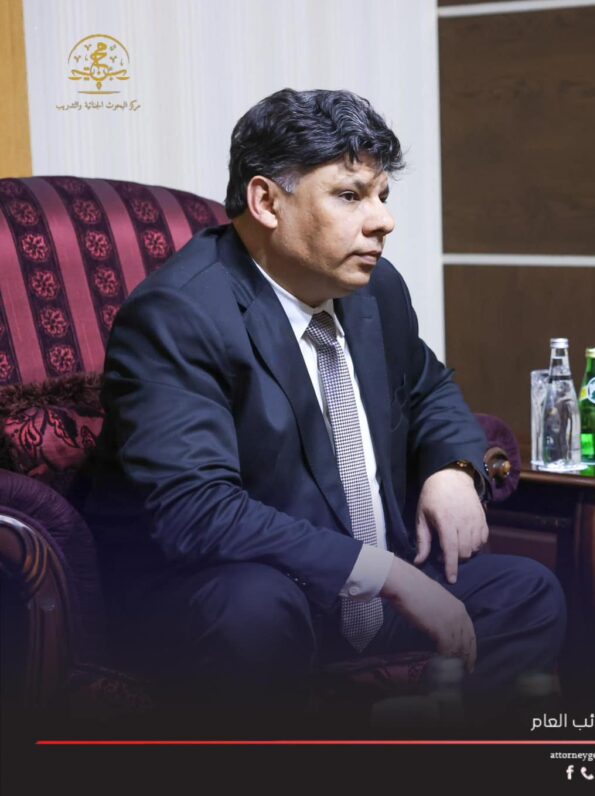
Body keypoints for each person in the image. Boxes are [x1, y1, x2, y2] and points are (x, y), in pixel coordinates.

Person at [82, 89, 565, 723]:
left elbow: (429, 388)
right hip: (240, 588)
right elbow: (195, 509)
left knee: (527, 593)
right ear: (266, 202)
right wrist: (385, 574)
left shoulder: (374, 289)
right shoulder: (178, 315)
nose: (382, 221)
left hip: (363, 590)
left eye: (382, 196)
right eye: (350, 195)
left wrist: (455, 470)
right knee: (254, 608)